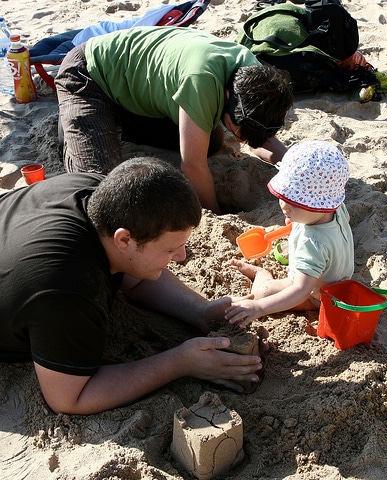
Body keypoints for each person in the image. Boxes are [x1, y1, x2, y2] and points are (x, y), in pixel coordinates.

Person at [0, 158, 263, 415]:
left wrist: (199, 310)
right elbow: (69, 398)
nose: (182, 257)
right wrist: (179, 362)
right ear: (124, 239)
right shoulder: (68, 287)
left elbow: (133, 274)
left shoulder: (98, 193)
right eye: (170, 248)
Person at [55, 26, 294, 214]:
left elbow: (260, 138)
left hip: (139, 91)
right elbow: (192, 166)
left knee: (211, 143)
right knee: (99, 190)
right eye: (239, 128)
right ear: (228, 95)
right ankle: (76, 126)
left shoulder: (258, 83)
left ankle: (114, 123)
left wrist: (296, 165)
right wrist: (217, 214)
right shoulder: (202, 81)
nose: (242, 139)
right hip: (89, 74)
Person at [225, 141, 354, 327]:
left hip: (318, 295)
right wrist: (298, 222)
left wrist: (259, 307)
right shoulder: (335, 208)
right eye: (283, 197)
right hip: (339, 278)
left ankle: (261, 273)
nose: (284, 206)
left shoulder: (312, 244)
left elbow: (300, 291)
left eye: (296, 202)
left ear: (319, 206)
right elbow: (344, 222)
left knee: (263, 293)